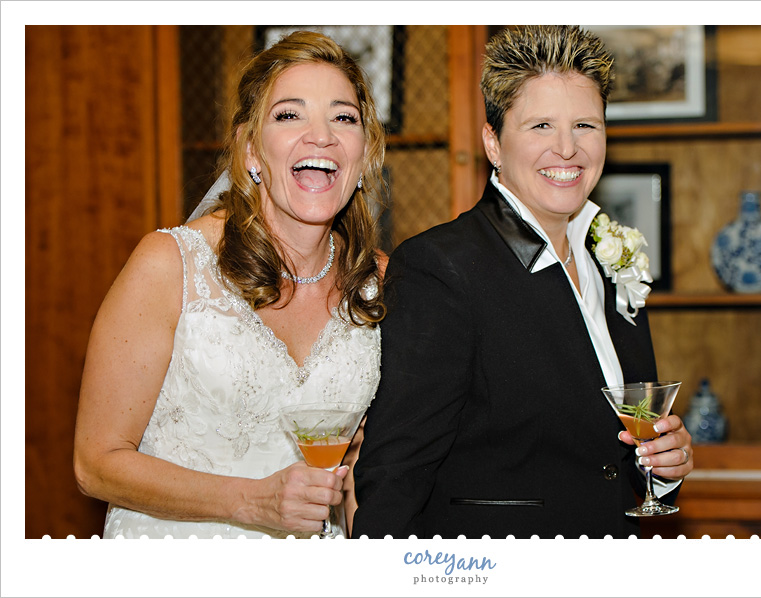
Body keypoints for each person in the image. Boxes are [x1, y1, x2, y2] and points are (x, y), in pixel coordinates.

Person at [352, 25, 693, 539]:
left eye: (585, 125)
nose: (567, 148)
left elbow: (613, 449)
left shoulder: (610, 258)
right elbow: (396, 474)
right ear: (493, 142)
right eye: (539, 126)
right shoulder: (440, 268)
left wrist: (664, 469)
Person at [73, 30, 387, 538]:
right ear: (249, 152)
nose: (322, 136)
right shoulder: (171, 264)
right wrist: (251, 502)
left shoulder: (378, 284)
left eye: (343, 117)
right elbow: (96, 463)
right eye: (289, 115)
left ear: (363, 152)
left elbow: (368, 471)